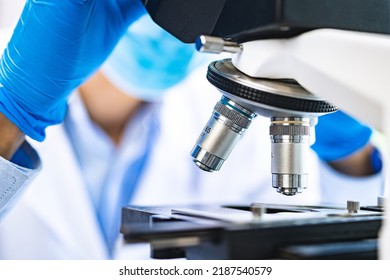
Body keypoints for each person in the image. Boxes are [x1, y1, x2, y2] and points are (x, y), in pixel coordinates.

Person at [0, 8, 384, 259]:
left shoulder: (248, 110)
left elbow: (331, 249)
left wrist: (348, 150)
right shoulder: (22, 75)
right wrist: (11, 115)